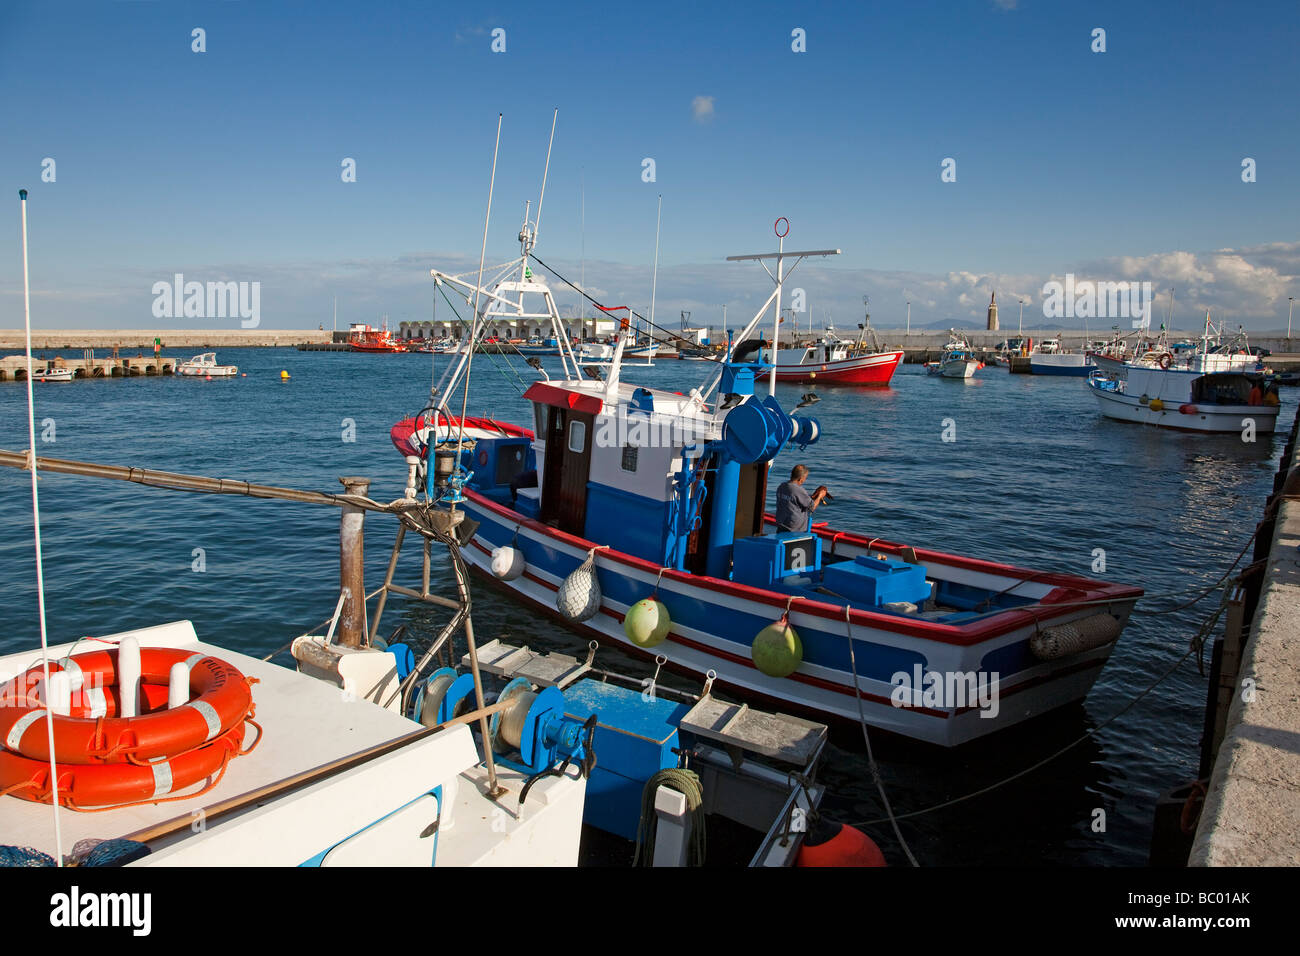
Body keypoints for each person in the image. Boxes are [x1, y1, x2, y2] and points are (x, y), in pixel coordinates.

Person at [774, 464, 828, 533]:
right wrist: (820, 496)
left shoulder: (781, 486)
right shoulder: (798, 490)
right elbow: (812, 507)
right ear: (801, 479)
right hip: (794, 530)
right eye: (805, 478)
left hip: (781, 526)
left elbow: (793, 501)